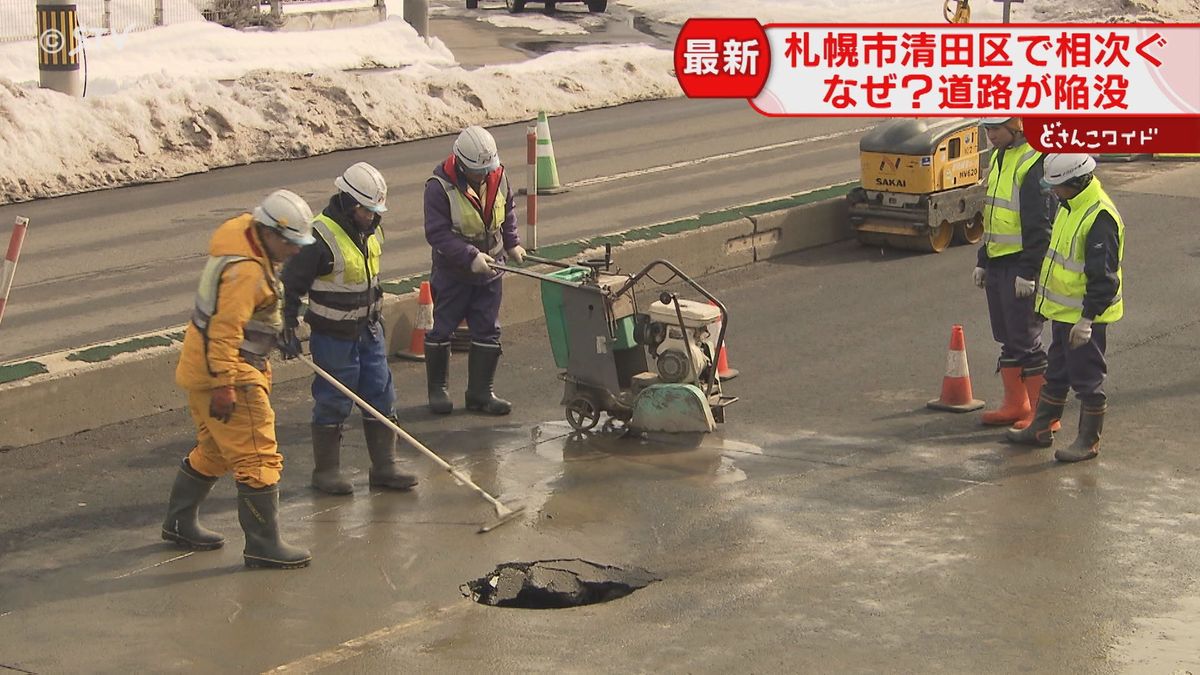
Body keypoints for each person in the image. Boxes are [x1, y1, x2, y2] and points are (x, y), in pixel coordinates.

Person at [162, 189, 315, 570]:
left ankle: (180, 523)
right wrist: (225, 385)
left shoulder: (244, 237)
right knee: (257, 455)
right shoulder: (246, 271)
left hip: (204, 364)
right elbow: (226, 330)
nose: (295, 252)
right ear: (272, 233)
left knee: (216, 450)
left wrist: (271, 330)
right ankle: (264, 544)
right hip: (227, 370)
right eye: (291, 243)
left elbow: (243, 317)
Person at [280, 162, 417, 495]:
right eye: (366, 210)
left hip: (368, 331)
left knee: (381, 394)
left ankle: (384, 466)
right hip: (333, 337)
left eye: (374, 210)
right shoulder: (318, 237)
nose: (372, 216)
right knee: (334, 400)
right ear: (348, 202)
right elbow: (291, 285)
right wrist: (286, 324)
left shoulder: (371, 230)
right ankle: (326, 472)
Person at [1007, 153, 1124, 463]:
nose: (1053, 192)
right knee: (1057, 372)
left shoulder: (1099, 217)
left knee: (1087, 378)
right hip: (1064, 315)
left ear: (1075, 182)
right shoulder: (1070, 206)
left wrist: (1087, 320)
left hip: (1084, 319)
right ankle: (1040, 428)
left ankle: (1088, 441)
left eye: (1057, 187)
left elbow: (1104, 277)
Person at [422, 126, 525, 416]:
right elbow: (437, 234)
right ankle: (438, 390)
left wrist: (513, 243)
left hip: (491, 271)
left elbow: (508, 210)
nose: (483, 176)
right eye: (477, 172)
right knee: (442, 328)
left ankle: (480, 393)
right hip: (453, 273)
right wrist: (469, 256)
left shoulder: (498, 175)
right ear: (462, 165)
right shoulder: (438, 187)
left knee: (487, 329)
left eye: (486, 170)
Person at [974, 117, 1055, 430]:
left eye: (996, 130)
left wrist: (1029, 271)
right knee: (1007, 335)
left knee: (1026, 337)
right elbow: (993, 215)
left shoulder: (1034, 162)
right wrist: (983, 259)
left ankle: (1043, 415)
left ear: (1017, 127)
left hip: (1021, 263)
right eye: (987, 130)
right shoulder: (999, 157)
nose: (990, 136)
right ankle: (1015, 404)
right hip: (999, 261)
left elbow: (1040, 225)